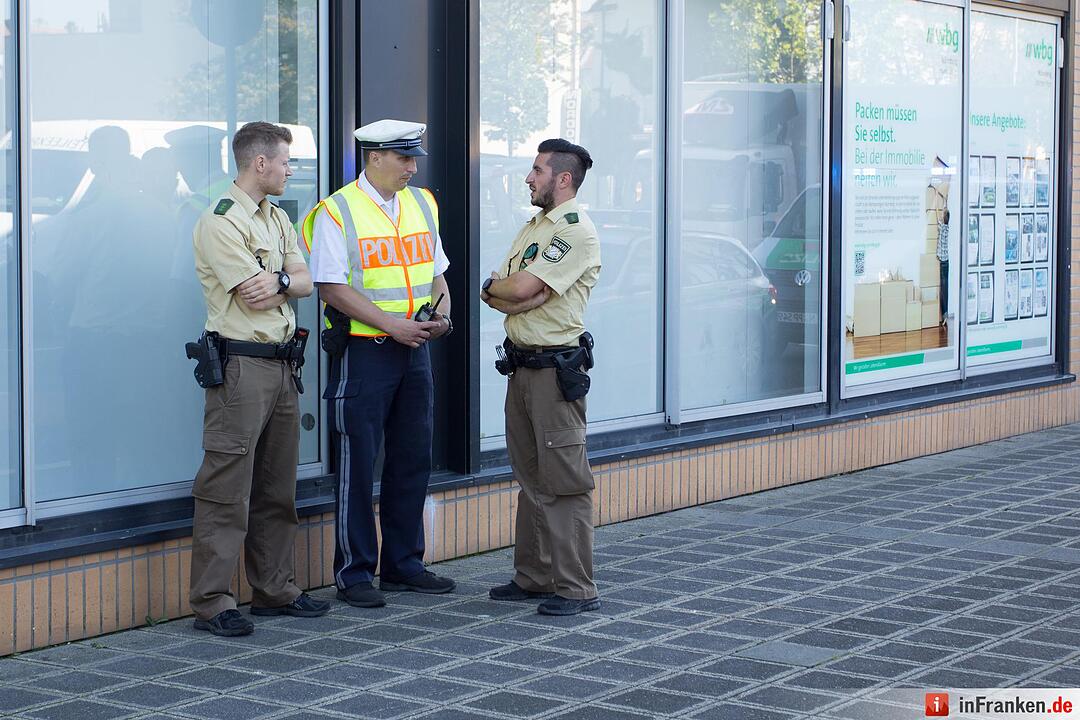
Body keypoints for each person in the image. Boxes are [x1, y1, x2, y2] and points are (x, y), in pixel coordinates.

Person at [301, 119, 455, 608]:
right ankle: (354, 573)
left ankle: (404, 565)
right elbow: (330, 287)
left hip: (415, 348)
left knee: (412, 458)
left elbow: (437, 274)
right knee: (358, 464)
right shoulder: (337, 211)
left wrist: (442, 318)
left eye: (414, 159)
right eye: (404, 158)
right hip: (366, 352)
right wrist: (394, 326)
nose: (413, 167)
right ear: (373, 157)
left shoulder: (422, 202)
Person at [189, 121, 329, 637]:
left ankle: (274, 589)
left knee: (276, 486)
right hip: (241, 366)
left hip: (282, 364)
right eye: (287, 161)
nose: (292, 170)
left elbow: (305, 284)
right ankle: (212, 601)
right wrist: (284, 283)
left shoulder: (277, 218)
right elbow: (255, 294)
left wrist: (284, 282)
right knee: (226, 487)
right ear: (260, 163)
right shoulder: (221, 220)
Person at [483, 139, 602, 616]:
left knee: (565, 482)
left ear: (563, 179)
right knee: (531, 477)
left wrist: (503, 292)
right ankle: (534, 576)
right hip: (523, 366)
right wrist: (507, 293)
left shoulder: (574, 231)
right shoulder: (534, 227)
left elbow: (525, 289)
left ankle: (575, 587)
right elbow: (510, 292)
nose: (529, 178)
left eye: (537, 170)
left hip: (555, 372)